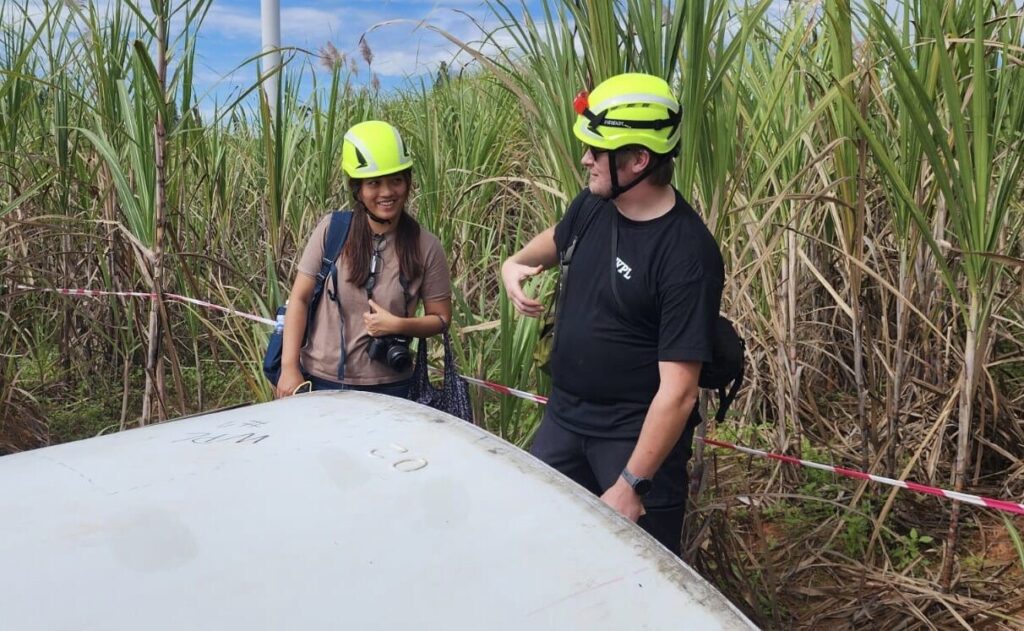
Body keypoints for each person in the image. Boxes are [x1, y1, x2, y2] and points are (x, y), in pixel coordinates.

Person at [500, 73, 724, 555]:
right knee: (543, 546)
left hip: (631, 440)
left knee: (634, 574)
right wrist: (516, 262)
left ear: (639, 160)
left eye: (596, 151)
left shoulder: (687, 254)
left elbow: (679, 392)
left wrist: (631, 484)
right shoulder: (595, 203)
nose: (585, 159)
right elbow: (560, 238)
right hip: (563, 420)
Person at [276, 120, 452, 399]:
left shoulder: (426, 246)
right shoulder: (332, 231)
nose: (387, 192)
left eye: (396, 180)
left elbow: (441, 318)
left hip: (391, 388)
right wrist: (289, 368)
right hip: (319, 382)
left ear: (408, 182)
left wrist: (398, 325)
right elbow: (299, 298)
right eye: (374, 183)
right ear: (357, 188)